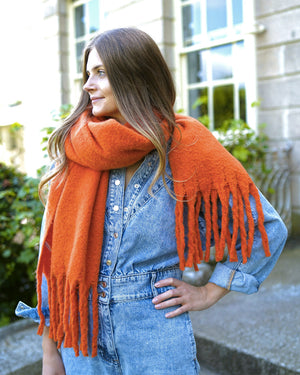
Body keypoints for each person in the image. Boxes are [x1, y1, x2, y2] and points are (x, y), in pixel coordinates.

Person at [16, 27, 287, 375]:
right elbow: (52, 257)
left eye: (100, 72)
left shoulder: (186, 146)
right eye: (87, 74)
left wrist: (209, 291)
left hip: (155, 338)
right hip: (81, 342)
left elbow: (264, 227)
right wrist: (50, 351)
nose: (87, 84)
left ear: (134, 74)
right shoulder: (74, 150)